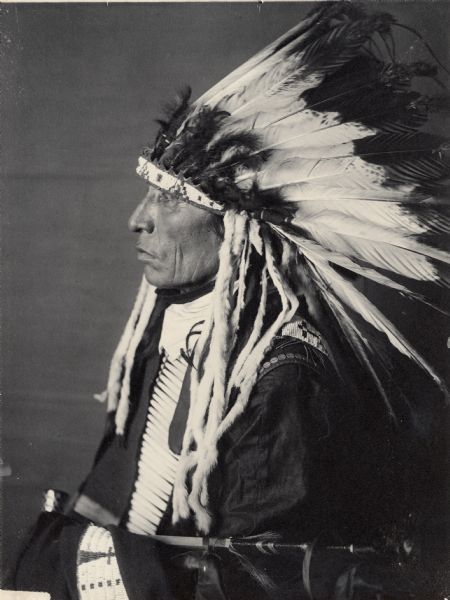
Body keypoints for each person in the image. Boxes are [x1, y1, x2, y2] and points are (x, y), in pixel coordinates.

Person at [11, 3, 450, 599]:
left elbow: (252, 579)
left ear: (236, 230)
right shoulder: (166, 326)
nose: (137, 221)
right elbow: (116, 492)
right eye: (147, 196)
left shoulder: (282, 375)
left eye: (169, 200)